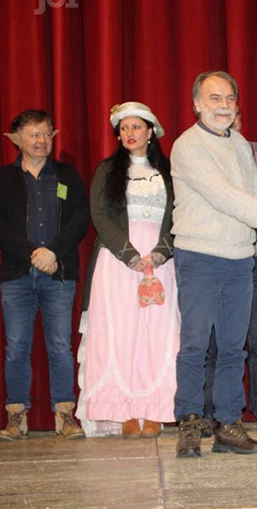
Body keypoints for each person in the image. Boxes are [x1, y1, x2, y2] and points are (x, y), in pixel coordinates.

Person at [170, 70, 257, 459]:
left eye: (230, 99)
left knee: (233, 347)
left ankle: (228, 424)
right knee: (196, 345)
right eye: (215, 98)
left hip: (240, 257)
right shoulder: (188, 145)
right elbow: (223, 195)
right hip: (199, 257)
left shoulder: (240, 142)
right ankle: (190, 424)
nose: (224, 106)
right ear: (197, 104)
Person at [75, 102, 178, 439]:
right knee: (120, 332)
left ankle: (154, 409)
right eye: (124, 128)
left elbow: (180, 213)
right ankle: (123, 411)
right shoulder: (107, 170)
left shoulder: (169, 171)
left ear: (151, 132)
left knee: (157, 333)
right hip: (118, 261)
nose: (130, 133)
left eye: (136, 127)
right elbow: (100, 215)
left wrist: (160, 253)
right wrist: (131, 256)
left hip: (160, 262)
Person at [201, 111, 257, 438]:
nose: (229, 119)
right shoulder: (201, 154)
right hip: (219, 259)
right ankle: (210, 413)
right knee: (215, 344)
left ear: (240, 119)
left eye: (235, 114)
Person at [0, 110, 89, 440]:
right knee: (16, 347)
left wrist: (53, 252)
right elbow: (2, 227)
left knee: (60, 346)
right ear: (17, 139)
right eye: (34, 134)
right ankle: (16, 417)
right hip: (16, 276)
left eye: (46, 134)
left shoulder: (67, 175)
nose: (41, 140)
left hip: (59, 274)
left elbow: (80, 219)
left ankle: (64, 416)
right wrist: (33, 255)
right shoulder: (4, 179)